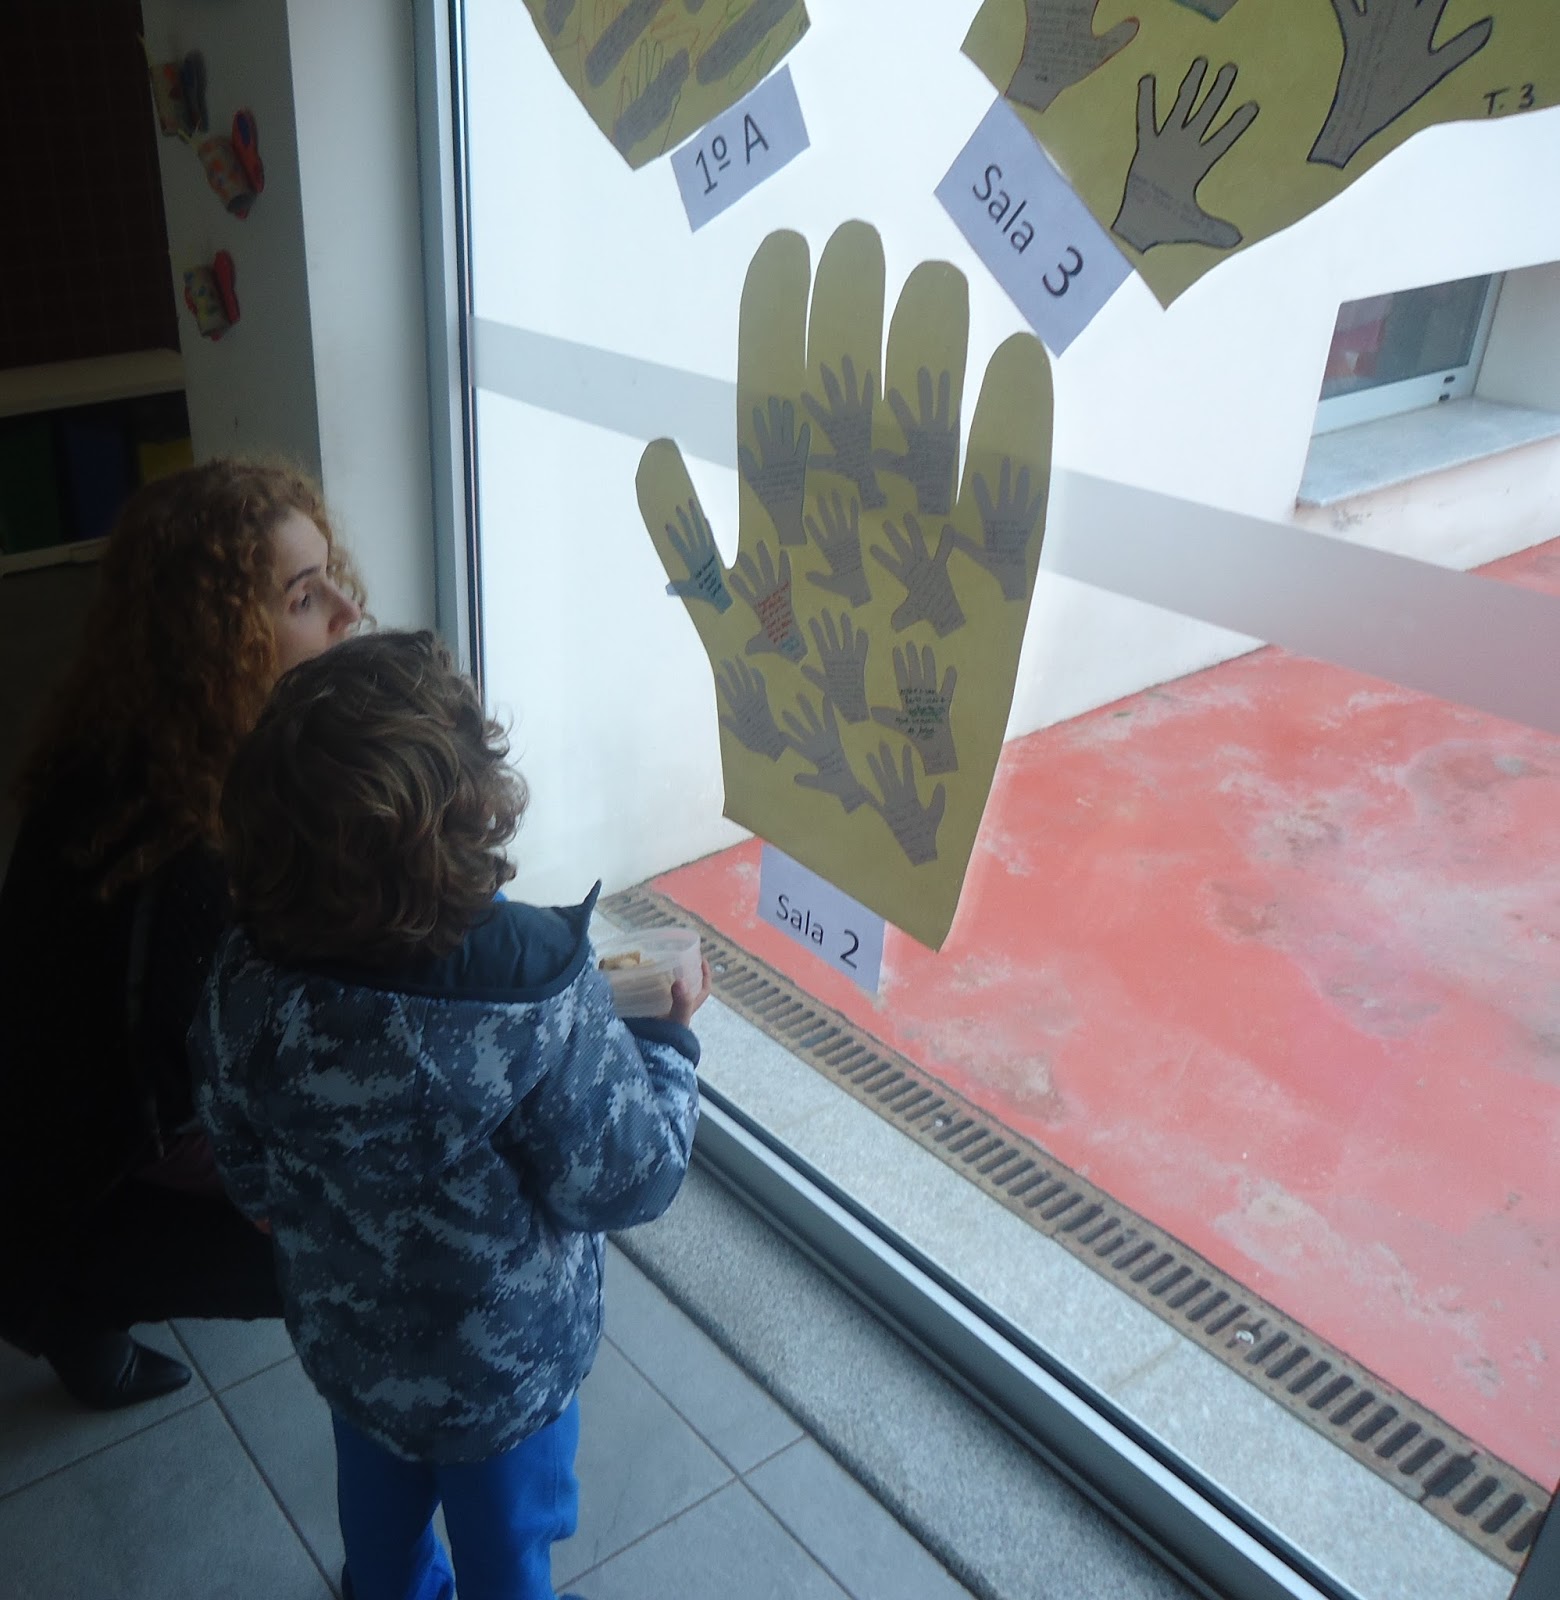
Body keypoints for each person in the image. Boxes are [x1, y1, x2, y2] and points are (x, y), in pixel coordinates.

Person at [190, 629, 709, 1600]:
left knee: (377, 1521)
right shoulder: (537, 994)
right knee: (508, 1549)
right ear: (472, 817)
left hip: (352, 1344)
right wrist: (668, 1046)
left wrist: (281, 1205)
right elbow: (627, 1180)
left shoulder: (242, 979)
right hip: (502, 1376)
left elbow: (240, 1151)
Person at [0, 458, 365, 1409]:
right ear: (223, 642)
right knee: (349, 1243)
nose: (349, 610)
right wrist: (305, 1190)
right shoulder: (180, 860)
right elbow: (169, 1123)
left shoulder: (157, 743)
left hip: (94, 1107)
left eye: (331, 576)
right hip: (79, 1184)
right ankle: (77, 1318)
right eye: (305, 596)